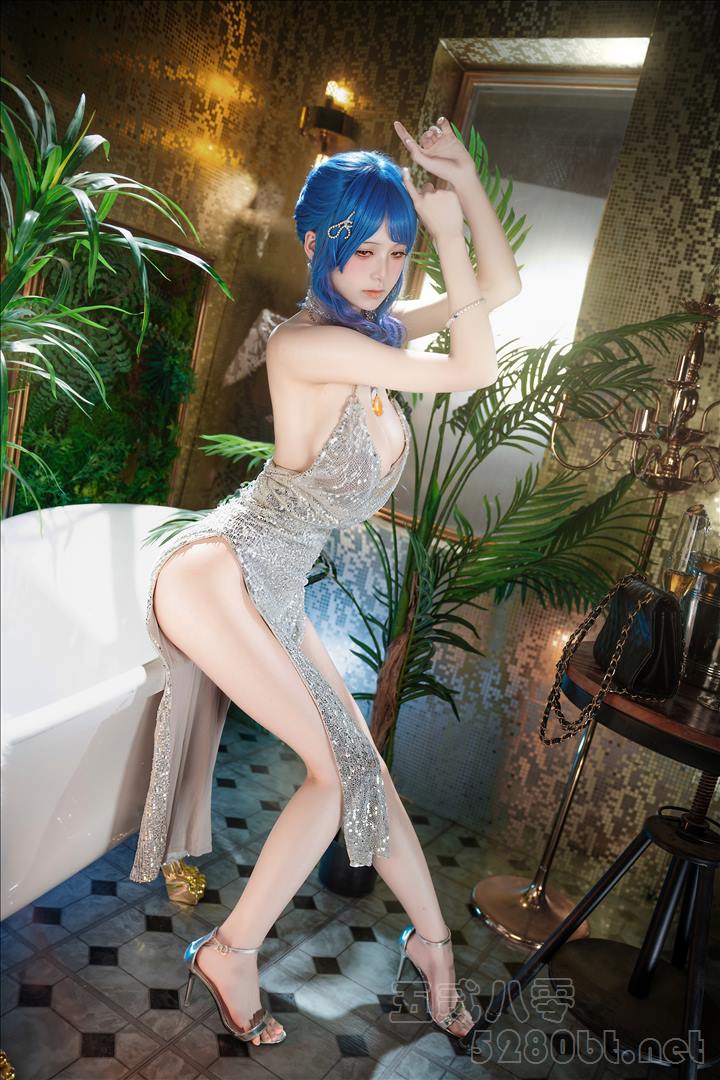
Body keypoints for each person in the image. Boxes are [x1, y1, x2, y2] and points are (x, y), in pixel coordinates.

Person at [129, 116, 522, 1046]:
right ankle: (232, 950)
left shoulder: (372, 331)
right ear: (316, 246)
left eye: (397, 251)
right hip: (220, 570)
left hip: (277, 582)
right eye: (361, 249)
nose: (382, 269)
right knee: (336, 776)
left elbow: (501, 293)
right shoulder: (308, 346)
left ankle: (434, 949)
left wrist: (464, 183)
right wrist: (446, 233)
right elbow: (476, 364)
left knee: (363, 773)